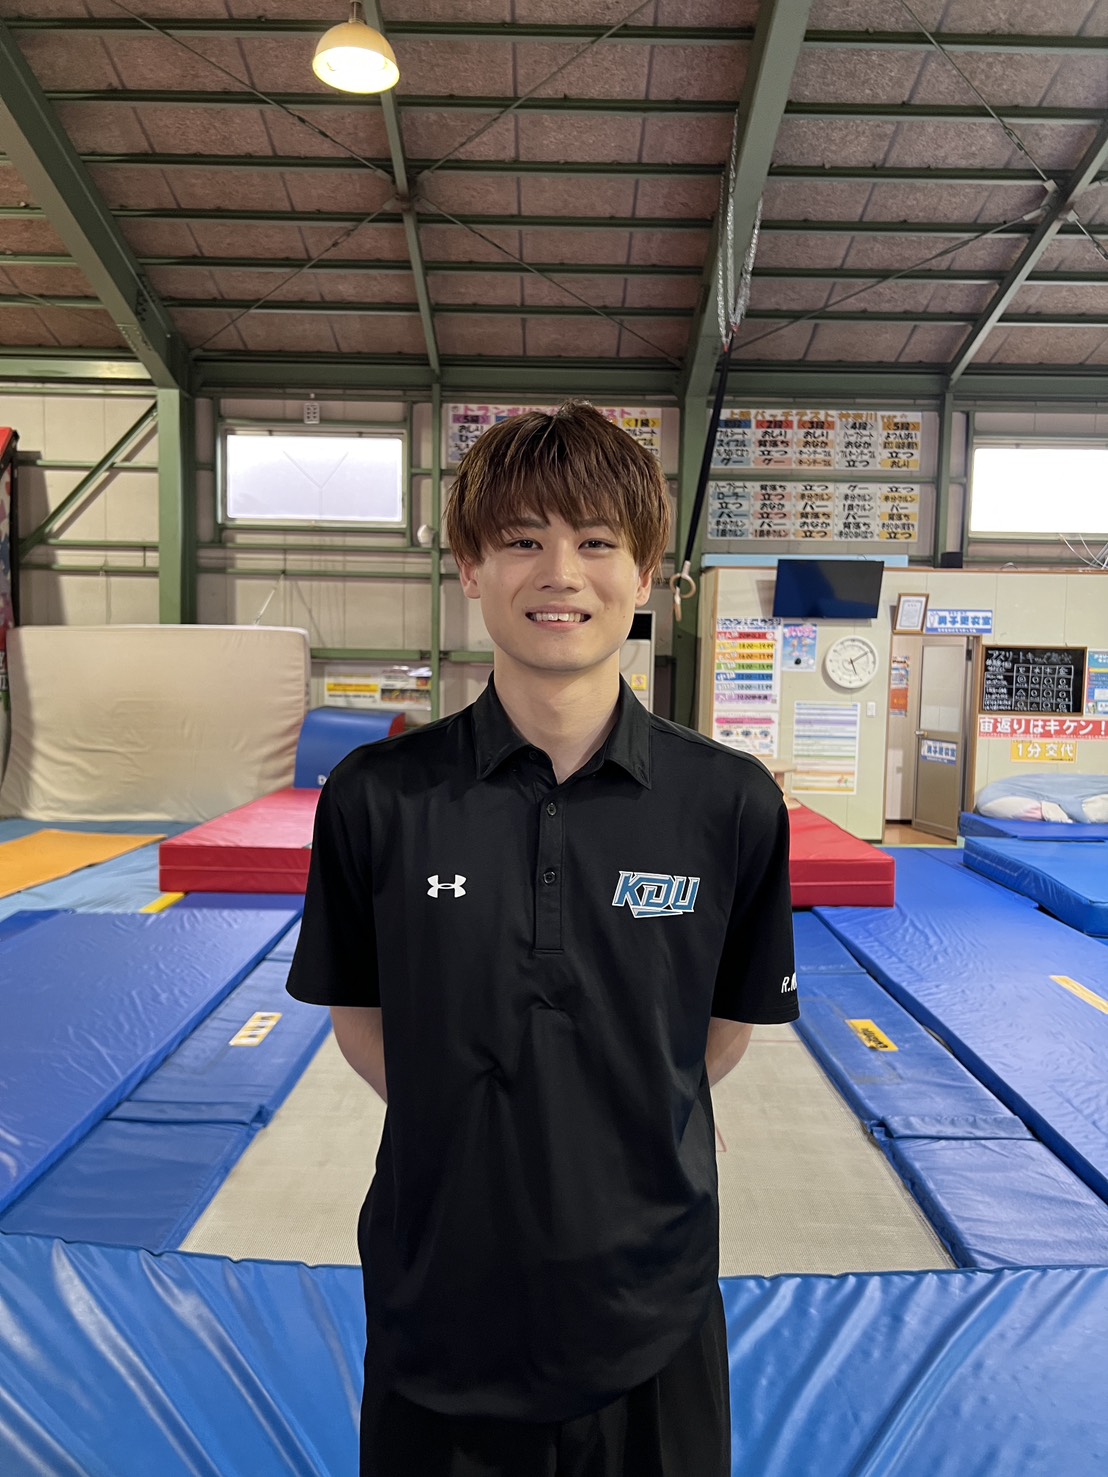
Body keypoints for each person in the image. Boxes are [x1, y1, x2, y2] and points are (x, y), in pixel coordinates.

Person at [286, 402, 798, 1477]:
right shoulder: (378, 797)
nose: (560, 573)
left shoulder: (730, 803)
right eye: (522, 538)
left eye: (596, 541)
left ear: (646, 575)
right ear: (470, 568)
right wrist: (480, 1115)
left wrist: (608, 1112)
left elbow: (720, 1034)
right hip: (440, 1298)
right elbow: (361, 1015)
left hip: (650, 1304)